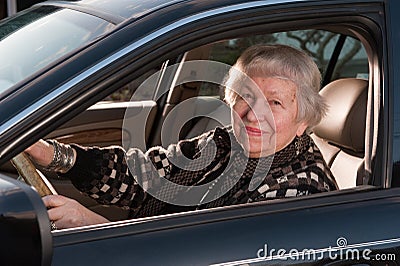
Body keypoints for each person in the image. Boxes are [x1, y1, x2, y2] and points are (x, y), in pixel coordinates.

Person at [26, 44, 338, 229]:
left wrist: (96, 229)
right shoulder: (226, 144)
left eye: (275, 102)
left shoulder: (301, 189)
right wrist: (54, 155)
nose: (255, 113)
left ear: (303, 121)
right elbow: (147, 175)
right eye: (246, 95)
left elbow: (213, 255)